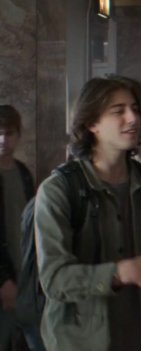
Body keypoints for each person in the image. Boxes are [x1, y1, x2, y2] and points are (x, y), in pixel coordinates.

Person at [35, 76, 141, 351]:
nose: (133, 118)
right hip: (83, 342)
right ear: (91, 124)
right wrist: (122, 272)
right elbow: (54, 279)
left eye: (135, 108)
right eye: (118, 111)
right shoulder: (60, 190)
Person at [0, 105, 38, 350]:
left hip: (24, 274)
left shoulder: (23, 173)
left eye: (9, 133)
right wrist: (2, 279)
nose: (3, 139)